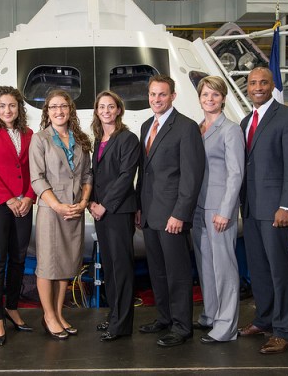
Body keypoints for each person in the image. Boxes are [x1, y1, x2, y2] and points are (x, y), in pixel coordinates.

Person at [238, 66, 288, 354]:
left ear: (272, 84)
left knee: (280, 271)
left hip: (276, 209)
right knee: (259, 270)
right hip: (252, 209)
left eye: (263, 82)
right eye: (253, 82)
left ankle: (284, 330)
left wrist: (286, 205)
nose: (257, 87)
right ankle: (263, 319)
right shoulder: (245, 122)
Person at [135, 74, 205, 347]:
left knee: (177, 273)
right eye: (153, 95)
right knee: (158, 271)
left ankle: (182, 326)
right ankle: (164, 318)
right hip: (151, 214)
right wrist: (140, 208)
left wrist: (180, 214)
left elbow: (192, 176)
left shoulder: (186, 127)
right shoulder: (145, 126)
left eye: (162, 94)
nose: (156, 99)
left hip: (172, 215)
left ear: (173, 96)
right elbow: (145, 172)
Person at [29, 89, 92, 340]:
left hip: (75, 211)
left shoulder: (81, 139)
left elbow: (87, 175)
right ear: (47, 111)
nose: (59, 111)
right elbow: (37, 178)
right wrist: (57, 206)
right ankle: (48, 316)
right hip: (51, 211)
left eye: (63, 106)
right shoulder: (40, 139)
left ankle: (58, 313)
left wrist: (84, 202)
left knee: (66, 265)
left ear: (70, 110)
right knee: (47, 266)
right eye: (53, 107)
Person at [0, 86, 36, 346]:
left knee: (19, 258)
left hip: (24, 203)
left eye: (12, 105)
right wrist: (9, 198)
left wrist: (28, 197)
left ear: (18, 108)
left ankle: (12, 306)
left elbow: (36, 168)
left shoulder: (29, 134)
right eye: (2, 105)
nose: (7, 110)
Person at [191, 76, 245, 344]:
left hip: (219, 208)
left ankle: (226, 327)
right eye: (205, 95)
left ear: (223, 98)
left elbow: (236, 174)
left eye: (214, 95)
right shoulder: (198, 128)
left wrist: (226, 210)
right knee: (206, 265)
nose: (209, 99)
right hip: (198, 206)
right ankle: (211, 315)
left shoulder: (231, 130)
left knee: (224, 267)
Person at [88, 91, 140, 342]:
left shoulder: (128, 139)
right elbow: (95, 176)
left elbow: (125, 177)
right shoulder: (99, 139)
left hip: (118, 212)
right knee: (109, 266)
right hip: (101, 212)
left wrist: (104, 205)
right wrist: (90, 202)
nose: (106, 111)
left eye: (111, 106)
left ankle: (122, 324)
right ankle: (115, 315)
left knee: (121, 268)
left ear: (119, 109)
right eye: (101, 107)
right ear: (97, 111)